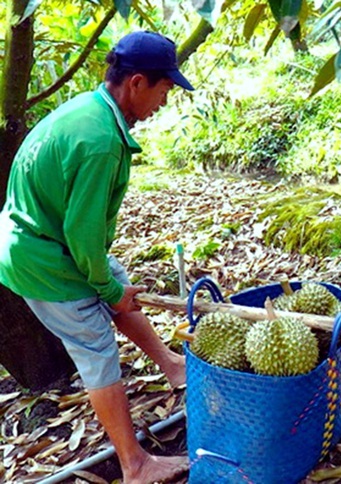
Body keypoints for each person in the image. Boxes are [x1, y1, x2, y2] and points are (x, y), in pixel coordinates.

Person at [0, 31, 194, 484]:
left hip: (46, 240)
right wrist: (108, 291)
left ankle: (172, 366)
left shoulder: (91, 111)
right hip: (42, 256)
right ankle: (134, 464)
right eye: (164, 92)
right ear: (138, 83)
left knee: (115, 280)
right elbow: (83, 235)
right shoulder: (101, 140)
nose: (163, 103)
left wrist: (112, 285)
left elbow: (84, 239)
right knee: (95, 346)